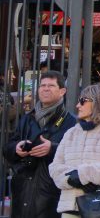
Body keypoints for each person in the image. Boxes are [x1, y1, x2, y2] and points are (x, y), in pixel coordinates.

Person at [3, 70, 76, 218]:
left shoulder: (71, 122)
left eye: (51, 85)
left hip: (52, 190)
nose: (46, 89)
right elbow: (8, 147)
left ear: (62, 91)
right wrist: (16, 148)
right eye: (42, 85)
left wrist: (53, 149)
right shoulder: (27, 118)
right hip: (23, 189)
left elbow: (78, 155)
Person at [49, 84, 100, 218]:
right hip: (70, 206)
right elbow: (55, 167)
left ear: (97, 102)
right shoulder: (71, 133)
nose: (77, 106)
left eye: (82, 101)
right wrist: (71, 179)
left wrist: (82, 175)